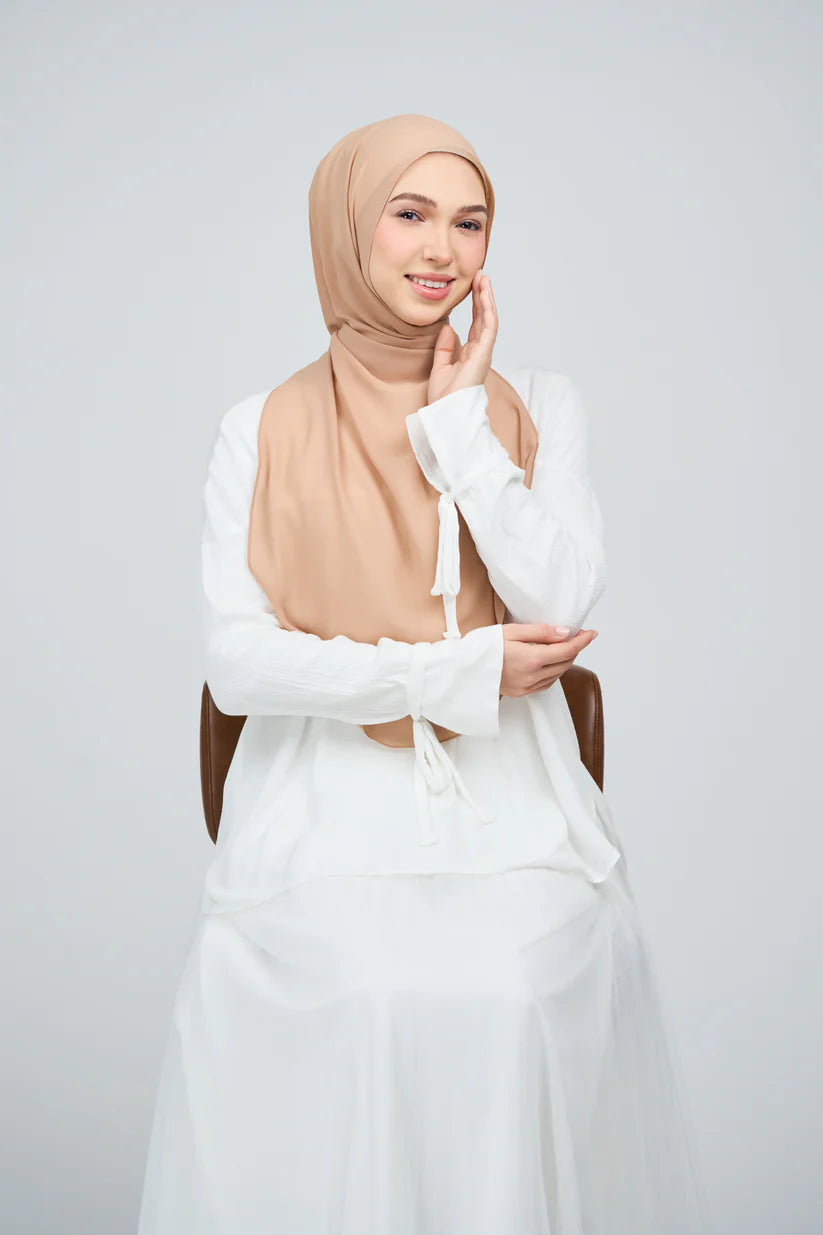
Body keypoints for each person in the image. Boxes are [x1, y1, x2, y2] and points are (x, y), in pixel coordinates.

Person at [137, 113, 712, 1234]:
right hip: (320, 802)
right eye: (409, 214)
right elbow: (238, 661)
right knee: (362, 988)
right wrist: (450, 673)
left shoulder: (535, 403)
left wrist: (460, 428)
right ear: (348, 227)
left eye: (469, 222)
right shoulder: (260, 427)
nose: (441, 249)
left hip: (515, 804)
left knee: (512, 991)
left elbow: (559, 598)